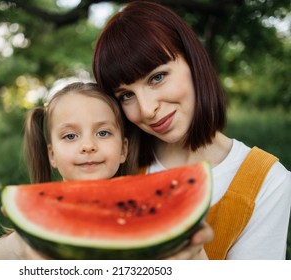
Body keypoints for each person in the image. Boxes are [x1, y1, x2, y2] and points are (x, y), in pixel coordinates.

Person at [92, 1, 291, 260]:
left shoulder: (269, 182)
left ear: (193, 61)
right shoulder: (116, 160)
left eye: (157, 77)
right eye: (126, 95)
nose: (147, 109)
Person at [0, 82, 131, 259]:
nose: (88, 146)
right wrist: (18, 246)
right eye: (70, 136)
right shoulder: (35, 230)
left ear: (123, 150)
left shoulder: (139, 212)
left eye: (102, 133)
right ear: (52, 154)